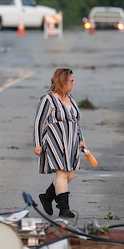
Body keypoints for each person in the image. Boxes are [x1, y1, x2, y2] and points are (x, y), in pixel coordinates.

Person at [32, 68, 87, 218]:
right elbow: (39, 123)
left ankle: (48, 197)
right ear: (63, 81)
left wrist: (81, 139)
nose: (73, 83)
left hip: (72, 143)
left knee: (70, 175)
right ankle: (64, 209)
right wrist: (37, 144)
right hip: (55, 142)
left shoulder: (71, 99)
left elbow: (76, 122)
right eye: (71, 80)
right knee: (62, 174)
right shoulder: (47, 100)